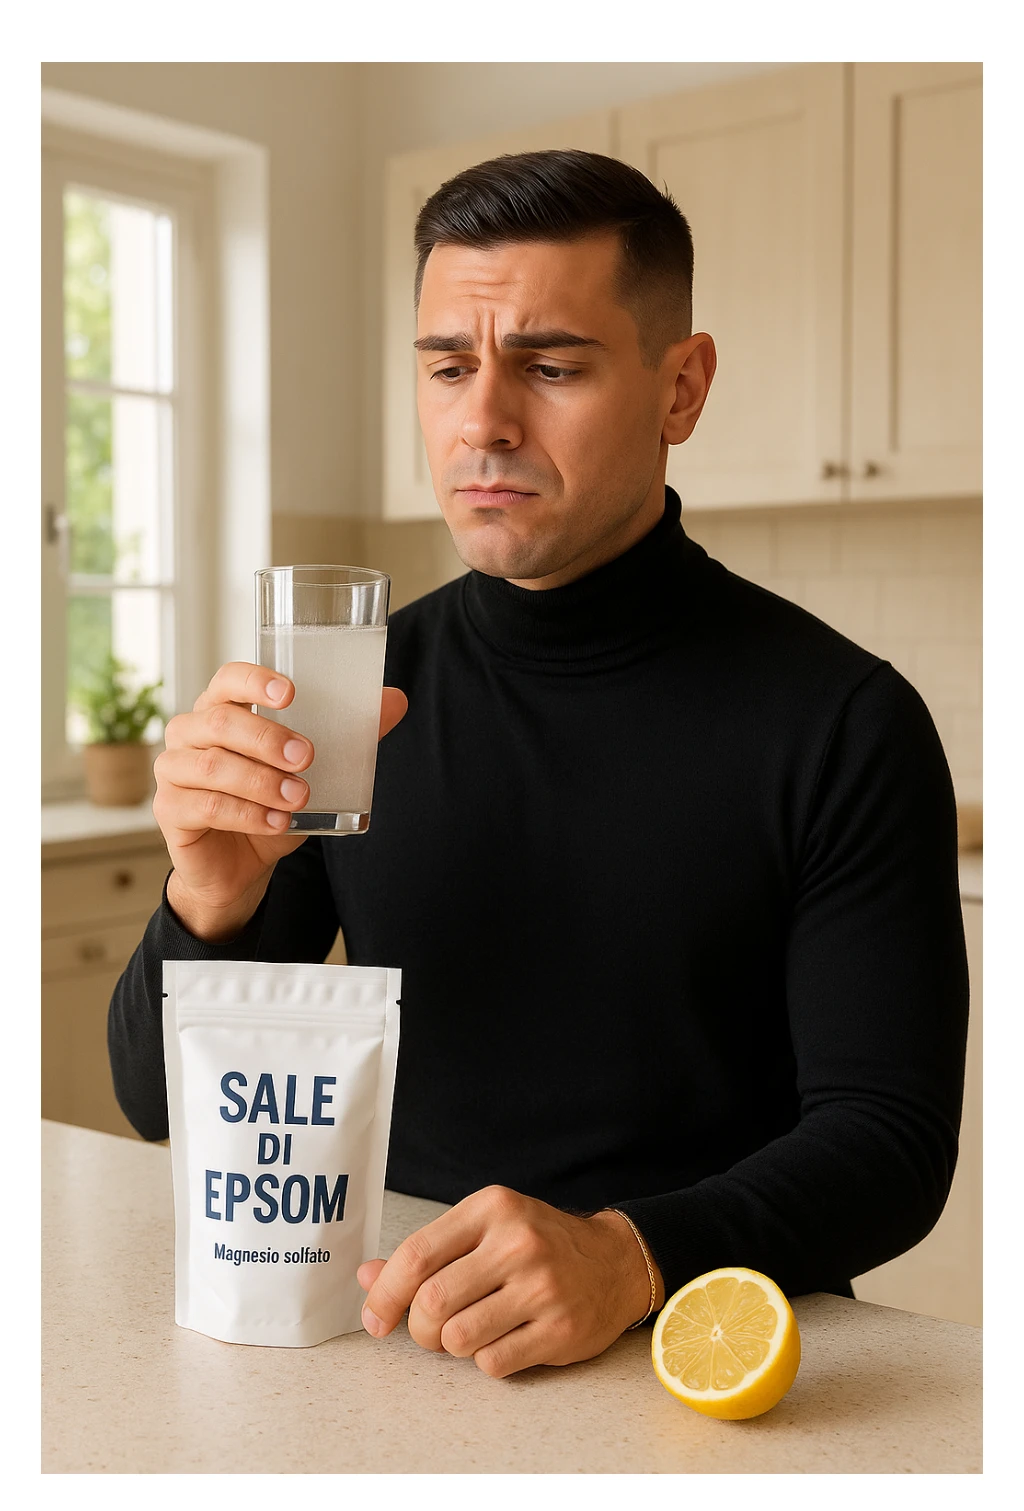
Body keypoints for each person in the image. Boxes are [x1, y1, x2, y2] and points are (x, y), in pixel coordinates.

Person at [109, 149, 969, 1380]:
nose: (483, 422)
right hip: (391, 1344)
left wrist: (626, 1255)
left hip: (698, 1365)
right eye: (448, 367)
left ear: (682, 388)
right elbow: (165, 1114)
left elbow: (889, 1142)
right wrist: (212, 902)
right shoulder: (358, 693)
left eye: (551, 367)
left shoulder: (843, 719)